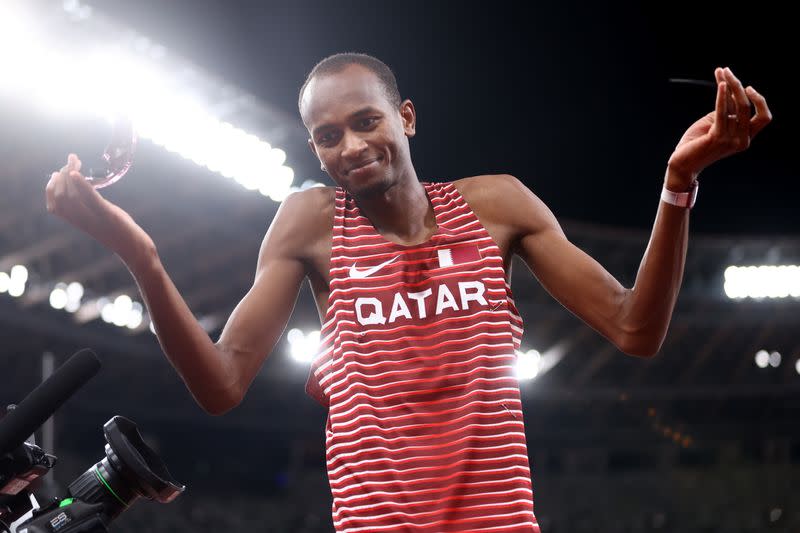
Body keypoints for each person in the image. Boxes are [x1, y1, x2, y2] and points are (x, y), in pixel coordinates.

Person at [45, 53, 771, 532]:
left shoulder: (498, 206)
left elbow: (634, 328)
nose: (352, 147)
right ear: (314, 150)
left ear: (407, 118)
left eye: (367, 121)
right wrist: (136, 251)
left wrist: (679, 186)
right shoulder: (310, 223)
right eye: (328, 136)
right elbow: (222, 382)